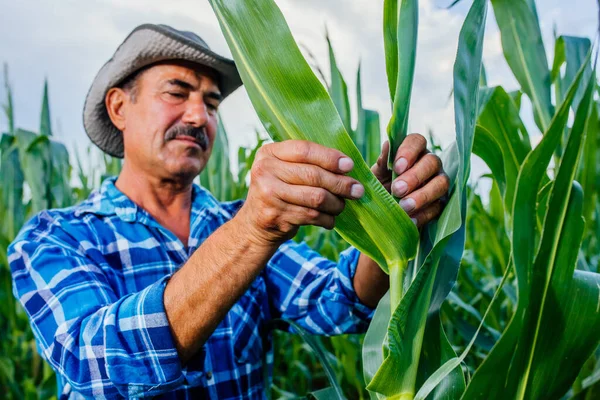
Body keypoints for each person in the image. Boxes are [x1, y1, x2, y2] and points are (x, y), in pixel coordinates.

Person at [8, 24, 449, 399]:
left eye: (212, 103)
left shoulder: (236, 222)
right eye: (177, 92)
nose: (199, 116)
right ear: (120, 107)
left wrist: (392, 222)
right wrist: (252, 230)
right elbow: (94, 363)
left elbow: (341, 299)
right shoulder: (55, 238)